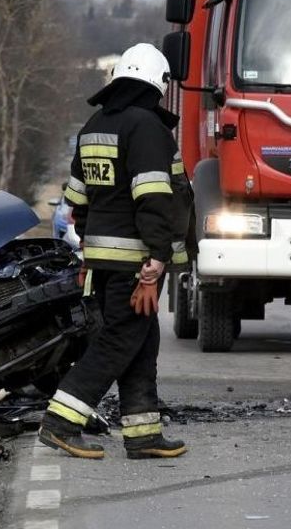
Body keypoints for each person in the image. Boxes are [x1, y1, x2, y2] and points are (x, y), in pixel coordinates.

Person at [38, 43, 191, 460]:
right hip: (136, 262)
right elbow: (155, 198)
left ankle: (142, 434)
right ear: (155, 85)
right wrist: (155, 262)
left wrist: (89, 247)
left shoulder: (93, 126)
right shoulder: (147, 128)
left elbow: (77, 199)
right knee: (117, 342)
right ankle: (61, 422)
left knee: (141, 342)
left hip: (105, 260)